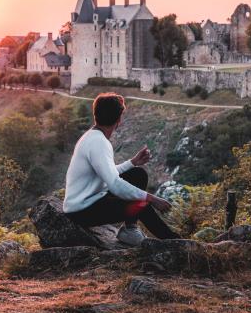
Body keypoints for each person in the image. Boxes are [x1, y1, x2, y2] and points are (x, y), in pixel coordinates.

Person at [63, 92, 180, 246]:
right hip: (81, 211)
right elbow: (115, 184)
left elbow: (107, 174)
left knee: (137, 174)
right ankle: (175, 242)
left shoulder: (92, 137)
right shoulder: (99, 143)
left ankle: (130, 230)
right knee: (141, 206)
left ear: (96, 114)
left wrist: (132, 163)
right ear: (118, 120)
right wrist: (152, 198)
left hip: (88, 200)